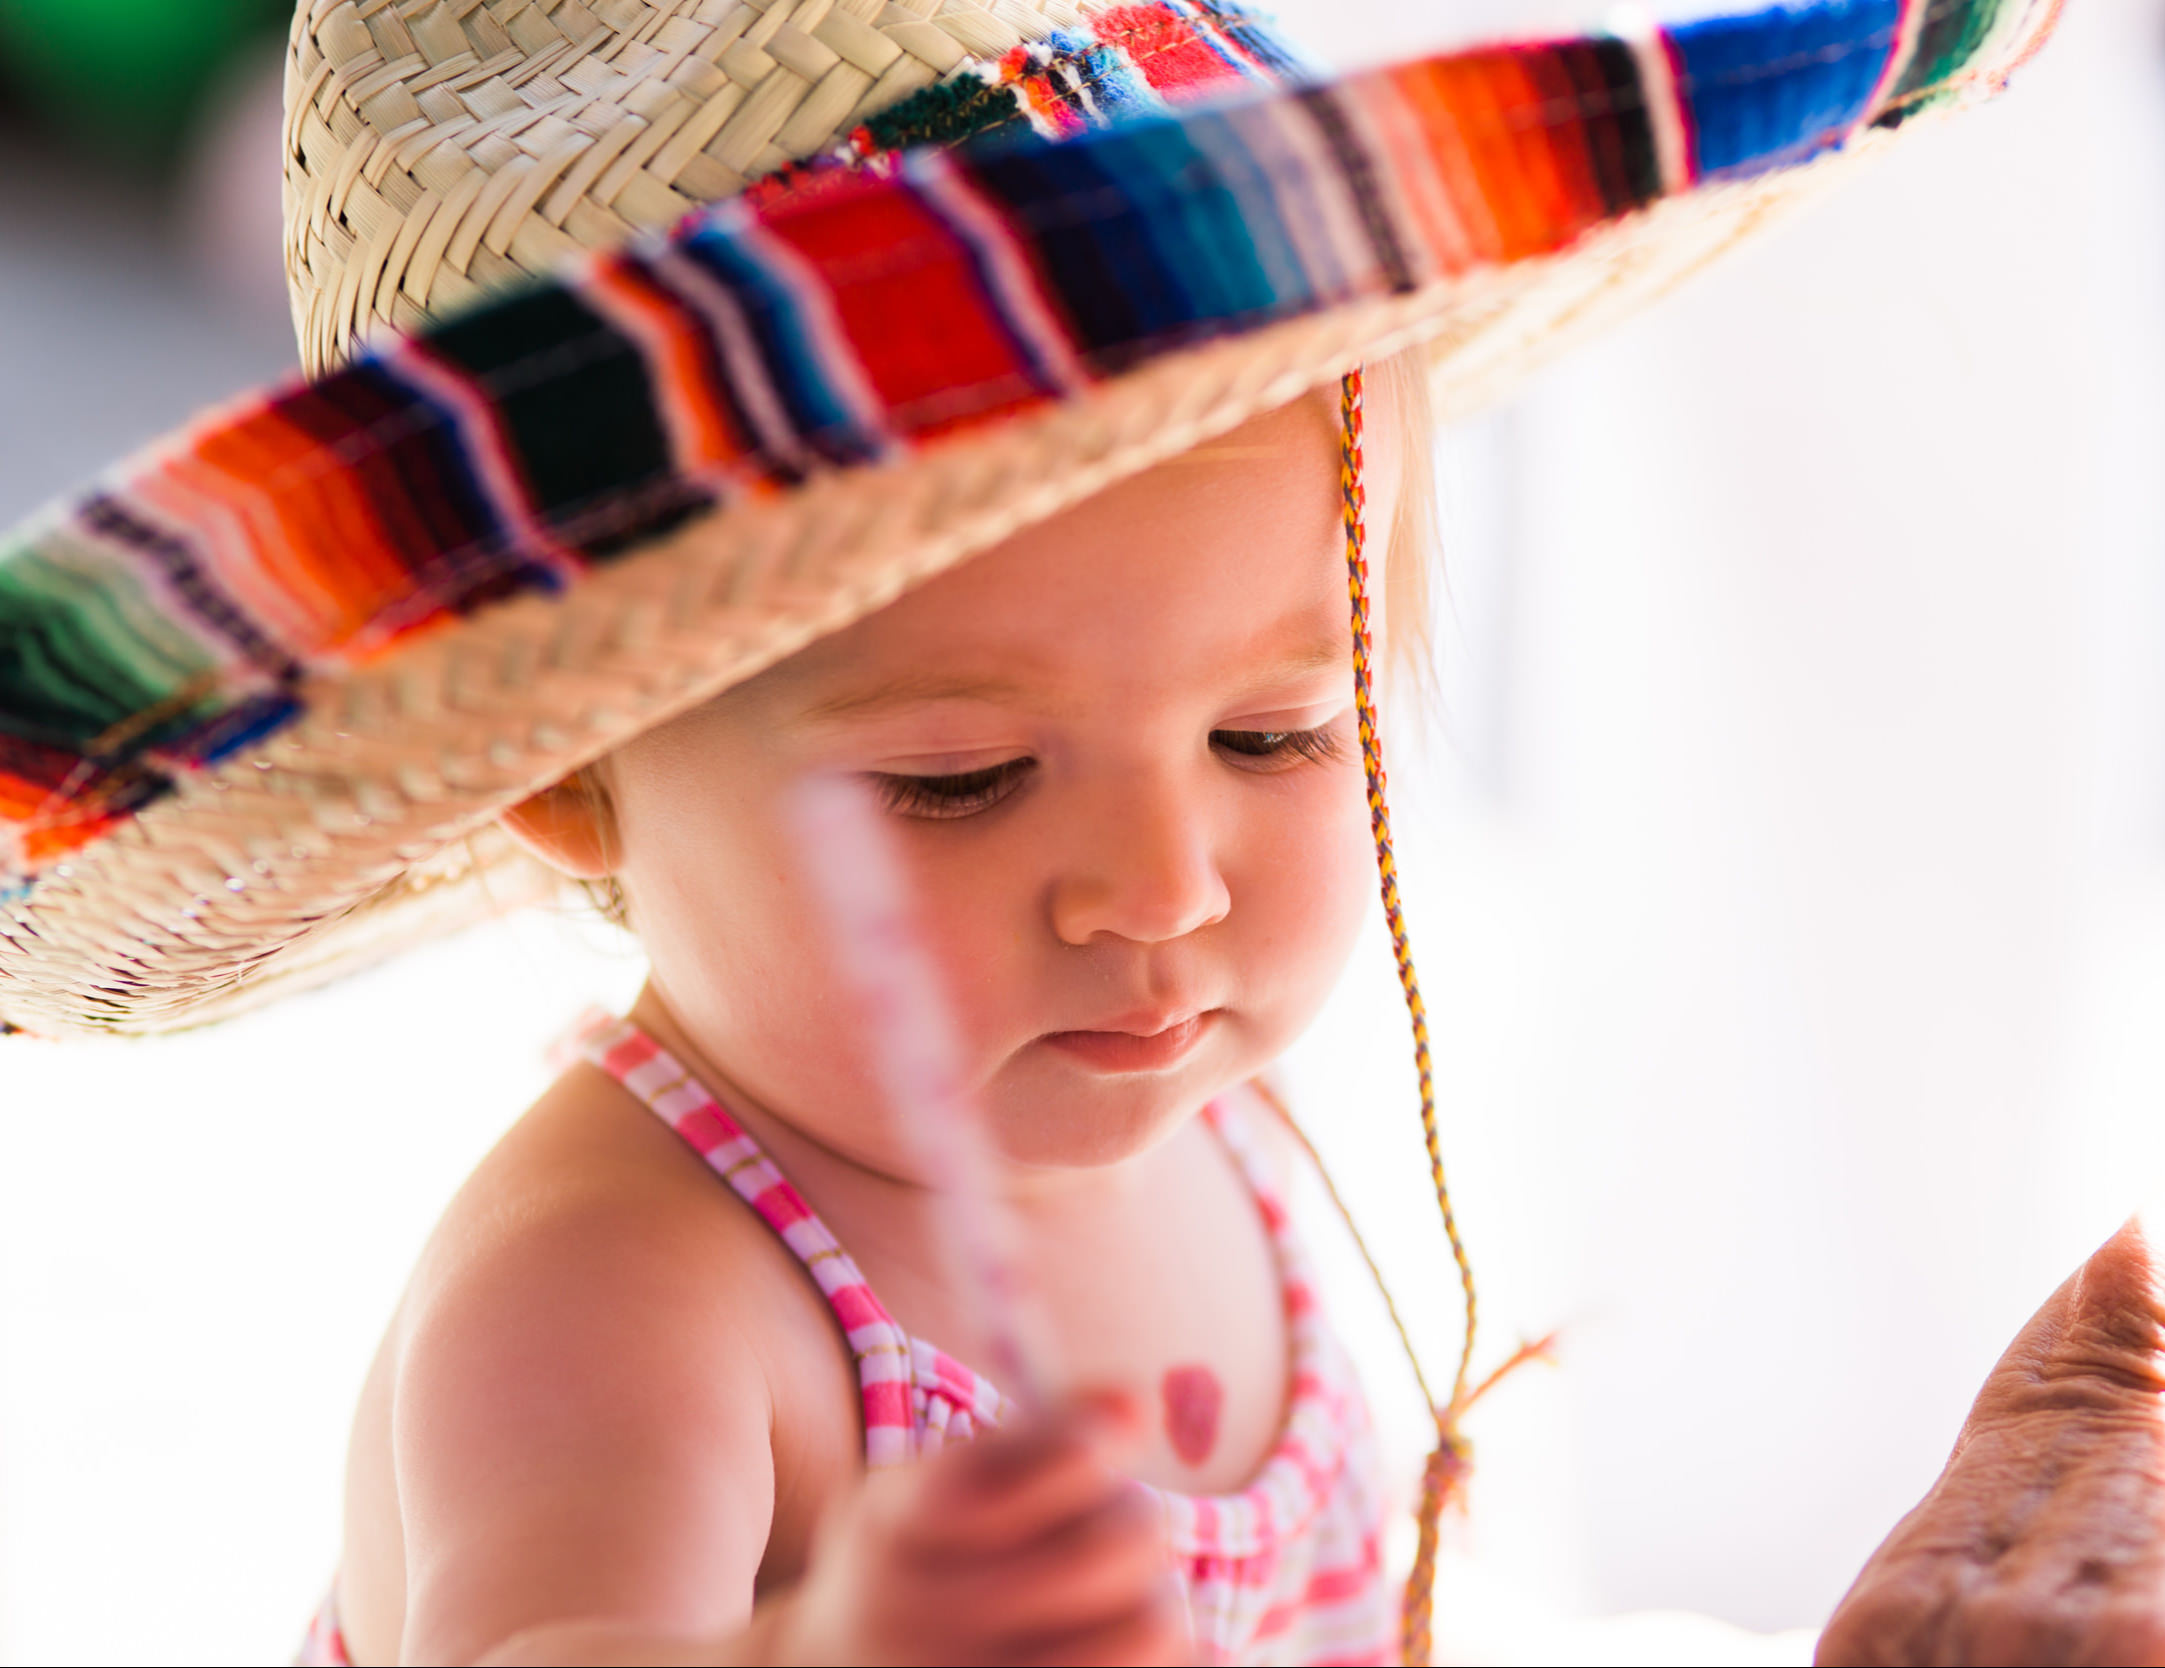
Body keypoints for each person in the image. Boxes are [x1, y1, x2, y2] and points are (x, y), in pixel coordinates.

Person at [0, 1, 2056, 1662]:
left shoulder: (1198, 1127)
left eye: (1274, 734)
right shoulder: (626, 1298)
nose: (1161, 890)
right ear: (569, 762)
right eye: (960, 782)